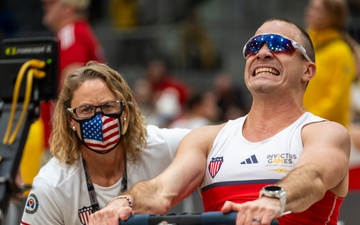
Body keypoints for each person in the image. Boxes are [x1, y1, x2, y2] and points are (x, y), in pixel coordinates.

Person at [88, 18, 351, 225]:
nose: (262, 52)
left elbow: (313, 177)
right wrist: (124, 201)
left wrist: (274, 199)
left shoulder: (324, 133)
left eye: (278, 44)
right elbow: (159, 191)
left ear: (308, 70)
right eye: (253, 46)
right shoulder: (207, 139)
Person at [20, 61, 191, 225]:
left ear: (125, 111)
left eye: (108, 106)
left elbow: (213, 139)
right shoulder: (52, 184)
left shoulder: (156, 145)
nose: (99, 120)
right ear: (70, 120)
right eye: (86, 110)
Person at [303, 0, 357, 129]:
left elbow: (336, 99)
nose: (309, 12)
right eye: (310, 8)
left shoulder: (341, 51)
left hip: (326, 129)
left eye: (317, 10)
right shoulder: (306, 44)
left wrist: (307, 120)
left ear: (332, 17)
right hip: (301, 123)